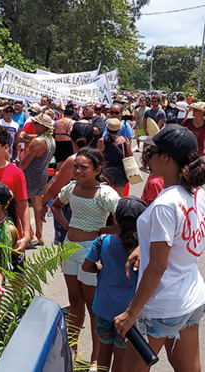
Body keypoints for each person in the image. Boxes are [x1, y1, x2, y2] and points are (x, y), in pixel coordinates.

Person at [114, 125, 205, 372]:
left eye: (151, 151)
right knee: (189, 368)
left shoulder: (165, 204)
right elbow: (182, 238)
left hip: (162, 304)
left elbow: (158, 266)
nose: (147, 156)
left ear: (165, 158)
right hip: (191, 297)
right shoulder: (197, 193)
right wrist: (146, 246)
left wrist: (131, 312)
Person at [50, 147, 120, 369]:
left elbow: (124, 223)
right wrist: (68, 226)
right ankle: (72, 350)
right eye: (75, 166)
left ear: (97, 169)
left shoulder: (106, 194)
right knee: (75, 302)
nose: (78, 171)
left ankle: (96, 359)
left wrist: (101, 233)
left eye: (84, 167)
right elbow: (56, 206)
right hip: (69, 249)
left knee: (93, 307)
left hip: (92, 253)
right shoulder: (71, 188)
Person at [82, 196, 148, 372]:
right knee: (121, 355)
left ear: (115, 218)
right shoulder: (143, 249)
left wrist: (101, 267)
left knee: (103, 352)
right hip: (127, 312)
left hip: (103, 308)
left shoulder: (102, 240)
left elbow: (87, 266)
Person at [39, 121, 95, 246]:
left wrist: (43, 203)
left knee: (67, 250)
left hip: (71, 208)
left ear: (71, 137)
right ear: (92, 139)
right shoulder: (97, 157)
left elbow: (55, 188)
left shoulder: (74, 160)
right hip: (93, 208)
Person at [18, 113, 56, 246]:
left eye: (36, 123)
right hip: (43, 174)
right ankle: (40, 236)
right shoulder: (51, 140)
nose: (33, 125)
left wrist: (17, 170)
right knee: (37, 204)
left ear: (42, 126)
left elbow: (25, 163)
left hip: (31, 175)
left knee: (22, 204)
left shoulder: (38, 141)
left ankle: (32, 235)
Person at [97, 119, 132, 196]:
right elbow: (130, 154)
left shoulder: (102, 141)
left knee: (105, 196)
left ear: (107, 128)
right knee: (119, 198)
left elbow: (97, 156)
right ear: (119, 129)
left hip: (106, 171)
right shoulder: (124, 140)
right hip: (121, 171)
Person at [53, 103, 76, 168]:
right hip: (68, 145)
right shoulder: (73, 122)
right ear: (73, 114)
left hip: (57, 144)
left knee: (60, 167)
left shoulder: (57, 122)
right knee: (68, 166)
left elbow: (54, 133)